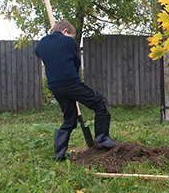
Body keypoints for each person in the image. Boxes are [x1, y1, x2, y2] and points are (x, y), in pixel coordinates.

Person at [34, 20, 117, 161]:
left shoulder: (41, 44)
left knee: (69, 119)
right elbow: (76, 62)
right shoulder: (69, 42)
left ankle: (59, 155)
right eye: (70, 36)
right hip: (70, 83)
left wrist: (50, 36)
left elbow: (38, 52)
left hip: (55, 87)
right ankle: (102, 138)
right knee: (99, 102)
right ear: (65, 31)